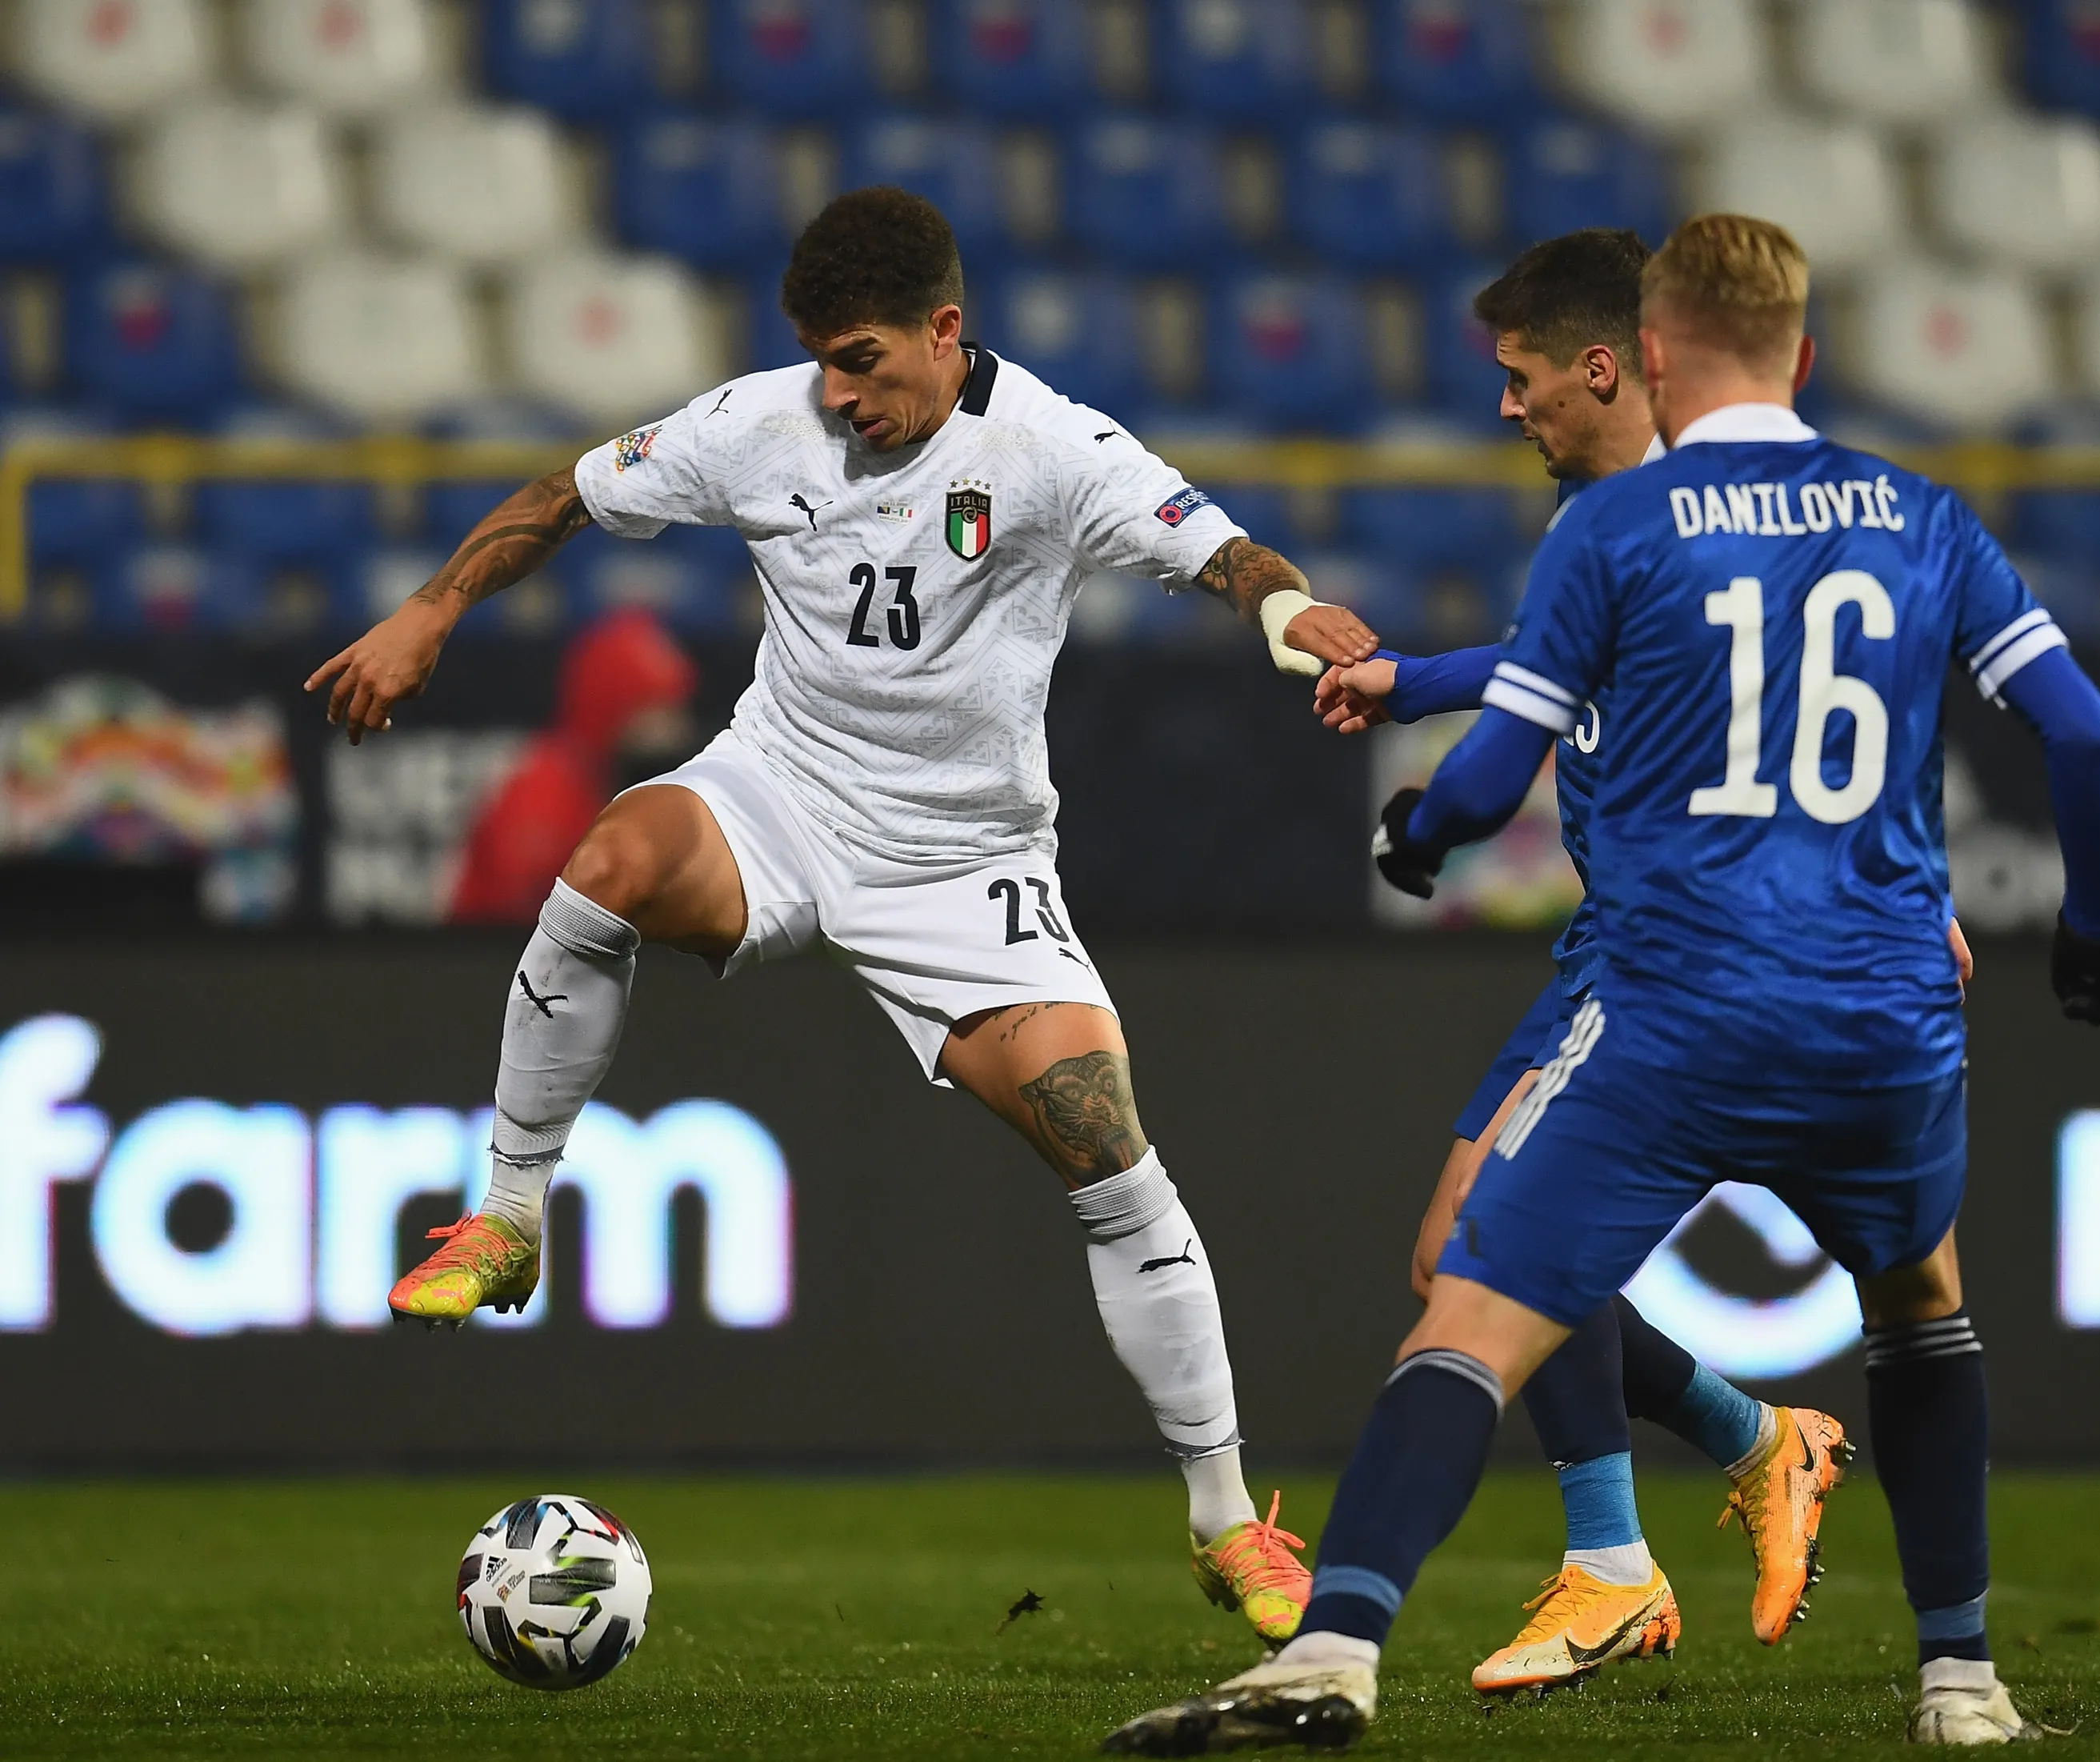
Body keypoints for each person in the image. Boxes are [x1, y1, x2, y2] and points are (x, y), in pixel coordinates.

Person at [1105, 213, 2100, 1753]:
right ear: (1804, 351)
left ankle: (1403, 1628)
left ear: (1642, 357)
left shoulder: (1627, 526)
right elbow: (2083, 733)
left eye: (1526, 377)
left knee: (1468, 1285)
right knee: (1921, 1307)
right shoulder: (1922, 516)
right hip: (1873, 995)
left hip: (1666, 980)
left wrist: (1422, 827)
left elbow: (1516, 741)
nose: (1509, 404)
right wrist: (2086, 926)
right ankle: (1957, 1674)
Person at [305, 186, 1381, 1644]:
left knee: (1109, 1151)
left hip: (964, 861)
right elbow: (564, 491)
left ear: (948, 332)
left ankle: (1224, 1519)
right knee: (613, 858)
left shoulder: (1055, 450)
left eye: (863, 358)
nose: (837, 389)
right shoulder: (764, 421)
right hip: (783, 789)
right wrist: (431, 608)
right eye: (820, 358)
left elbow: (1225, 553)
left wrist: (1286, 615)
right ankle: (508, 1215)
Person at [1312, 230, 1860, 1696]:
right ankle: (1758, 1440)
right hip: (1605, 942)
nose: (1506, 408)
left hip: (1679, 950)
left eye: (1521, 377)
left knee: (1496, 1248)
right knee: (1451, 1259)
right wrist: (1408, 679)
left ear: (1602, 367)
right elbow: (1549, 668)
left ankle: (1613, 1567)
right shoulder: (1625, 522)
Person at [449, 608, 698, 924]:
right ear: (612, 706)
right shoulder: (540, 795)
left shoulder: (639, 791)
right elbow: (519, 926)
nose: (675, 728)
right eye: (657, 708)